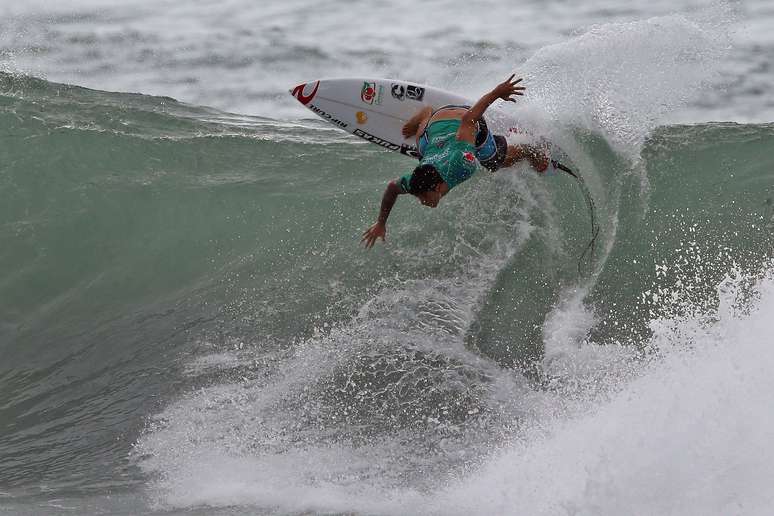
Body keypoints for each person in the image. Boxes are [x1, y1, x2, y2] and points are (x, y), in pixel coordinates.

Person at [361, 74, 549, 249]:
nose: (421, 201)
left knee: (492, 162)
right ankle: (426, 114)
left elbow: (469, 120)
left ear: (436, 188)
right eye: (419, 197)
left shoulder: (462, 164)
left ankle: (528, 150)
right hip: (436, 123)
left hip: (464, 118)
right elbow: (393, 187)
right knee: (423, 148)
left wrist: (496, 93)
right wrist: (381, 223)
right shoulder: (417, 181)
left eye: (422, 197)